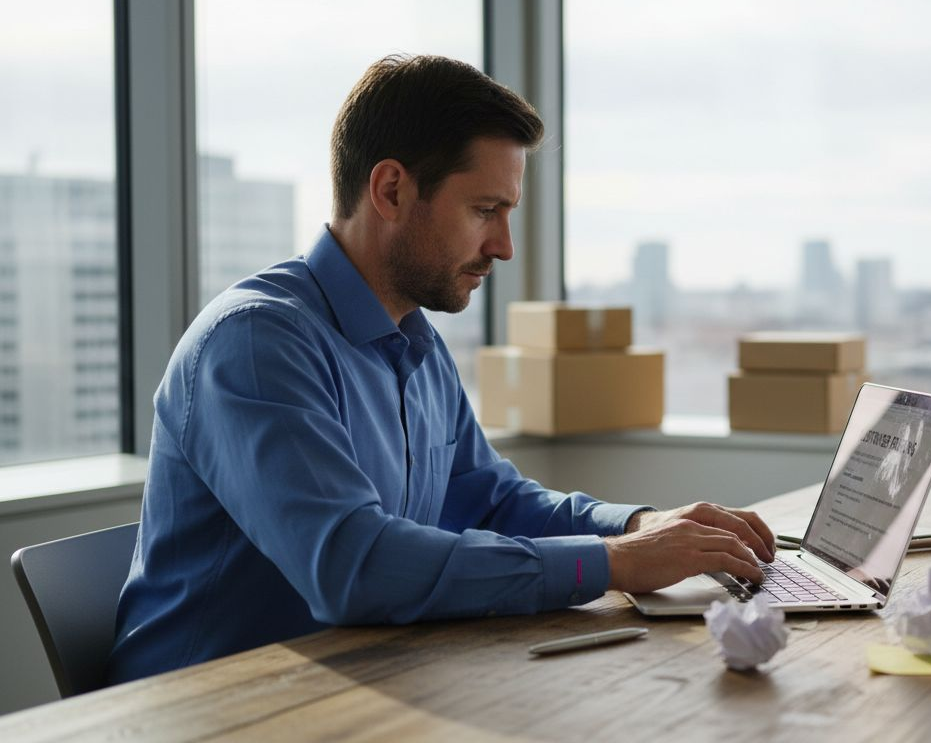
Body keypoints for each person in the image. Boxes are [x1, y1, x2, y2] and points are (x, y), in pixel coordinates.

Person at [108, 55, 773, 684]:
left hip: (357, 683)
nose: (503, 247)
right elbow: (353, 565)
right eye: (485, 211)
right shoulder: (256, 343)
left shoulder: (413, 341)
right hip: (208, 712)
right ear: (392, 189)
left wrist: (638, 527)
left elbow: (491, 501)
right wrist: (613, 564)